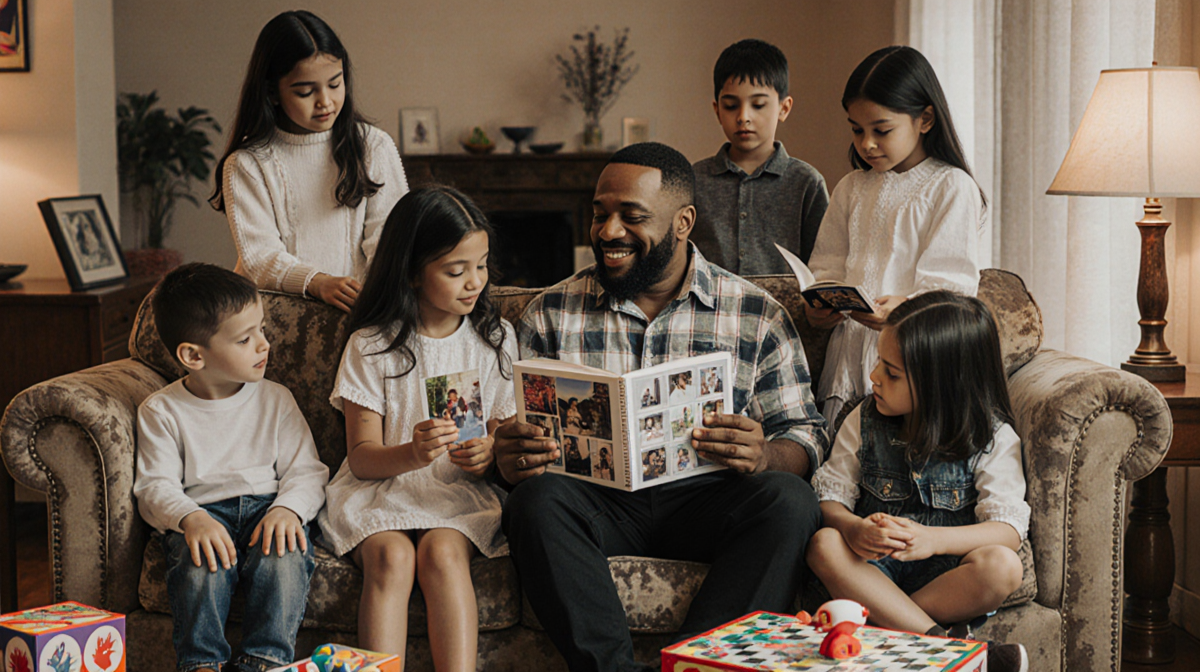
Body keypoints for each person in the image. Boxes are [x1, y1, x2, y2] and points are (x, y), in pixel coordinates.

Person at [494, 142, 827, 672]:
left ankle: (695, 666)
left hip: (710, 500)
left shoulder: (755, 312)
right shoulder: (550, 312)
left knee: (788, 501)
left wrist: (766, 456)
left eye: (632, 216)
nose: (607, 232)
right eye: (600, 213)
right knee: (535, 500)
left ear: (682, 222)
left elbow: (805, 433)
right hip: (598, 503)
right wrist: (509, 460)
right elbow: (515, 439)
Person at [316, 186, 517, 671]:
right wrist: (411, 453)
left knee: (442, 555)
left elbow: (502, 430)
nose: (474, 282)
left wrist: (488, 450)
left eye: (482, 265)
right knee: (391, 559)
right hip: (381, 489)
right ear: (411, 272)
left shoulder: (494, 339)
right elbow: (362, 456)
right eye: (456, 271)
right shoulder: (372, 345)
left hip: (456, 493)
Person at [806, 291, 1029, 672]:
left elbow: (1008, 529)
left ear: (941, 384)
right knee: (824, 543)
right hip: (872, 570)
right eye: (880, 362)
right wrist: (853, 528)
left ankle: (884, 624)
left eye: (891, 373)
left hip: (943, 576)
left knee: (1004, 565)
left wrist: (933, 540)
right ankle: (944, 646)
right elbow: (830, 496)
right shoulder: (865, 418)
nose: (875, 377)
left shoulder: (991, 437)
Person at [133, 263, 329, 672]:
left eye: (261, 329)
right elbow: (154, 487)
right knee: (198, 564)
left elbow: (306, 471)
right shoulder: (162, 411)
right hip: (203, 513)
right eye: (245, 338)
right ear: (193, 355)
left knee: (284, 557)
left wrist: (287, 510)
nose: (264, 345)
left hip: (268, 508)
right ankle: (202, 663)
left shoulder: (276, 399)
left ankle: (264, 662)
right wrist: (191, 519)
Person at [805, 45, 985, 423]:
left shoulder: (950, 187)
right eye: (857, 130)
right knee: (844, 457)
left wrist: (903, 309)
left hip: (909, 361)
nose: (866, 143)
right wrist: (820, 305)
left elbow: (953, 290)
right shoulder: (851, 187)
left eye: (881, 130)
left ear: (925, 119)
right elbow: (826, 266)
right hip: (848, 353)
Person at [210, 10, 408, 313]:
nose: (325, 102)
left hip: (359, 311)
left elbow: (390, 239)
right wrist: (317, 282)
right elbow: (259, 258)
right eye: (305, 91)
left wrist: (375, 301)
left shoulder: (373, 146)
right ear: (272, 92)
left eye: (335, 83)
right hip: (274, 320)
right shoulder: (248, 164)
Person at [691, 38, 829, 272]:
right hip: (709, 308)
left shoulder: (806, 183)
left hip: (785, 308)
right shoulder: (695, 179)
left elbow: (823, 264)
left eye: (758, 105)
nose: (743, 116)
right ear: (717, 111)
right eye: (731, 106)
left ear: (783, 108)